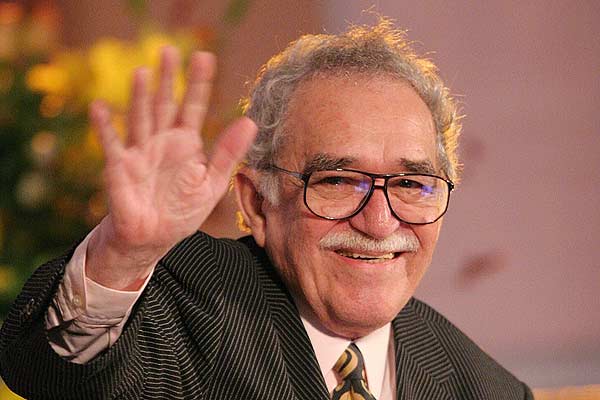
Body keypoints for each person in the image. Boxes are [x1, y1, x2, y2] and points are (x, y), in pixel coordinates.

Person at [0, 20, 533, 399]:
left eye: (412, 184)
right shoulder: (182, 298)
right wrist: (122, 256)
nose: (379, 221)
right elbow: (56, 371)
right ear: (257, 203)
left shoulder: (489, 389)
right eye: (337, 180)